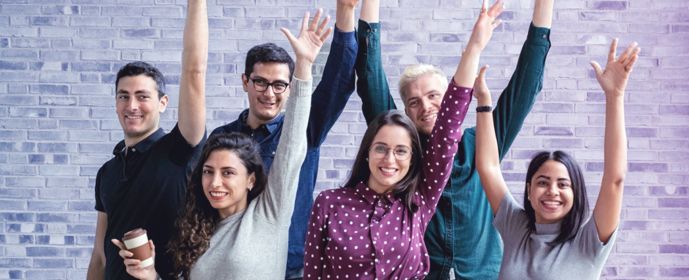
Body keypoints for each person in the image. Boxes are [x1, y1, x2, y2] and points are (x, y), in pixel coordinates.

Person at [111, 9, 332, 280]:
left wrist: (304, 67)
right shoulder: (197, 231)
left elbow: (292, 147)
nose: (215, 182)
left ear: (251, 179)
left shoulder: (268, 216)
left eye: (228, 172)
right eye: (208, 171)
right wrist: (150, 275)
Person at [354, 0, 553, 278]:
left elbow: (526, 85)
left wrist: (544, 8)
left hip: (482, 273)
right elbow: (369, 77)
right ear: (407, 112)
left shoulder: (483, 142)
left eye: (433, 96)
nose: (425, 107)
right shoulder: (403, 153)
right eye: (414, 102)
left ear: (450, 96)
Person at [303, 2, 501, 278]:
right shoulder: (329, 203)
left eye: (401, 151)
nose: (390, 159)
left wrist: (474, 48)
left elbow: (448, 126)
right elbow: (313, 273)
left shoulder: (418, 202)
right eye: (381, 148)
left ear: (412, 160)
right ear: (367, 153)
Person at [208, 2, 360, 277]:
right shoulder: (221, 138)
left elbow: (340, 80)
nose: (270, 93)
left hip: (292, 265)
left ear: (290, 88)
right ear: (245, 82)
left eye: (279, 85)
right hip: (231, 263)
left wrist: (346, 14)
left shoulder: (304, 129)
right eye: (260, 82)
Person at [474, 38, 639, 279]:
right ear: (529, 190)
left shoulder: (589, 242)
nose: (552, 191)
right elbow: (488, 167)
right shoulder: (516, 228)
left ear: (576, 193)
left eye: (563, 184)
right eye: (542, 182)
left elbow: (615, 178)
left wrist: (614, 96)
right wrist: (483, 104)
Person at [86, 0, 208, 279]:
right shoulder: (108, 172)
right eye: (123, 96)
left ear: (163, 103)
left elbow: (194, 72)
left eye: (142, 96)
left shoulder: (180, 149)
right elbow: (100, 257)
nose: (132, 106)